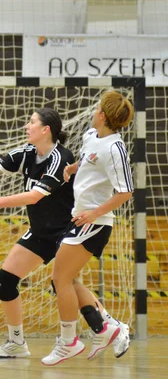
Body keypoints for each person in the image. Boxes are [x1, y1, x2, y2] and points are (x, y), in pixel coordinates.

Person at [0, 108, 128, 359]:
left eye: (31, 122)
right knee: (6, 280)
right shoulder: (28, 153)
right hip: (40, 231)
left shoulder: (59, 158)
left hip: (65, 230)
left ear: (46, 130)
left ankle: (107, 328)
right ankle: (16, 343)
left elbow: (34, 196)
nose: (26, 126)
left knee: (65, 282)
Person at [42, 90, 134, 366]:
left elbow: (125, 192)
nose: (93, 111)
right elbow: (88, 161)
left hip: (94, 223)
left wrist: (94, 212)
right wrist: (72, 168)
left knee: (60, 279)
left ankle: (69, 341)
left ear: (103, 115)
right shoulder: (91, 137)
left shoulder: (115, 149)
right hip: (79, 218)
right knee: (66, 279)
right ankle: (107, 328)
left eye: (97, 109)